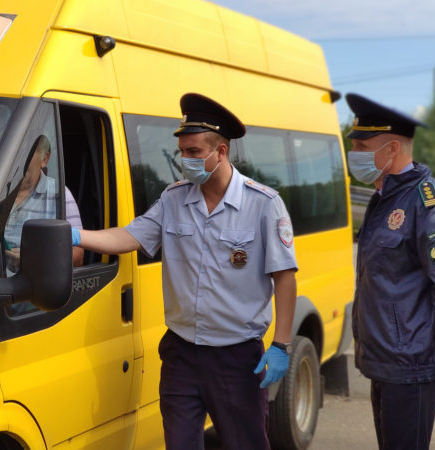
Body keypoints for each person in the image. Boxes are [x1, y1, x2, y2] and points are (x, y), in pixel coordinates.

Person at [71, 93, 298, 449]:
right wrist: (75, 235)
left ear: (220, 152)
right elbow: (129, 236)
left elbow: (284, 278)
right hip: (181, 354)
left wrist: (281, 345)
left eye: (193, 152)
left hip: (236, 357)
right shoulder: (174, 199)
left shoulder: (263, 204)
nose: (184, 160)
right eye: (182, 152)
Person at [345, 93, 435, 450]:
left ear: (392, 149)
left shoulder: (428, 203)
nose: (355, 156)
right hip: (387, 361)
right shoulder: (386, 198)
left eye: (363, 146)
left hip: (413, 364)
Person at [4, 134, 84, 274]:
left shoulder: (60, 195)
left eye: (26, 152)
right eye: (14, 151)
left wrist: (33, 259)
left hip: (31, 290)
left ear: (44, 159)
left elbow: (78, 255)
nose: (17, 160)